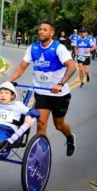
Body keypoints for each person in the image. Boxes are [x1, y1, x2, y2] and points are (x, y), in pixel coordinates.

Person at [8, 21, 77, 156]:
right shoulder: (32, 48)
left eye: (45, 30)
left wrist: (60, 84)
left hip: (60, 94)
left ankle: (70, 137)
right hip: (41, 93)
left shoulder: (59, 48)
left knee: (59, 125)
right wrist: (8, 82)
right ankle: (41, 152)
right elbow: (21, 68)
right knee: (41, 124)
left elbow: (72, 67)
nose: (41, 32)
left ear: (52, 33)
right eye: (40, 29)